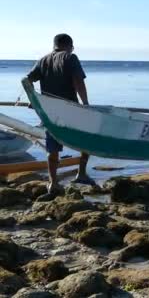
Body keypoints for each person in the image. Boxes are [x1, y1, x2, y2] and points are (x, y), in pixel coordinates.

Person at [26, 33, 96, 196]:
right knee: (89, 138)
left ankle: (53, 183)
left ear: (54, 45)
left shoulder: (43, 60)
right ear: (69, 45)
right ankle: (82, 173)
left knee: (52, 148)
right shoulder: (70, 57)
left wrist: (34, 99)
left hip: (51, 114)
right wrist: (85, 104)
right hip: (71, 109)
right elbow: (78, 81)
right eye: (72, 46)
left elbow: (27, 80)